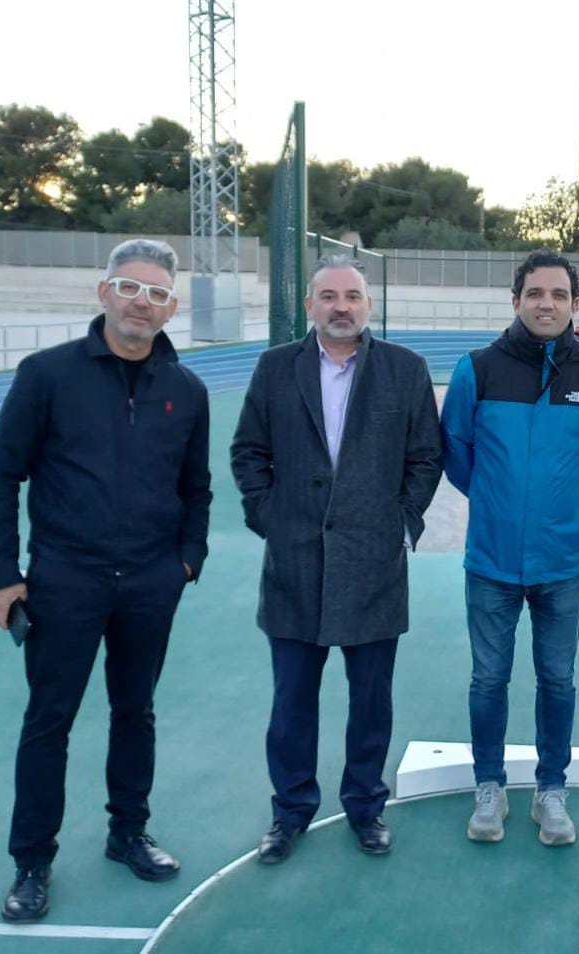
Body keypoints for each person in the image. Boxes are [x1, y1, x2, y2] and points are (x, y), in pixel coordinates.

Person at [0, 239, 211, 921]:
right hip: (65, 581)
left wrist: (185, 563)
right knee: (49, 721)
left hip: (149, 583)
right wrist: (1, 575)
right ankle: (31, 863)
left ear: (171, 309)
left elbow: (196, 490)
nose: (144, 302)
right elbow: (1, 475)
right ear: (103, 292)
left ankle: (128, 832)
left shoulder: (187, 391)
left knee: (135, 713)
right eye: (131, 288)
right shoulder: (47, 374)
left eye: (159, 293)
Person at [230, 255, 441, 862]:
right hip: (294, 566)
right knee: (292, 703)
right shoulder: (275, 369)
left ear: (368, 305)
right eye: (328, 296)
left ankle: (366, 807)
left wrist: (401, 523)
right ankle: (290, 811)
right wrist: (270, 518)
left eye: (352, 295)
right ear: (310, 305)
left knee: (371, 701)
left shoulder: (405, 370)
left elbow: (426, 456)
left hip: (374, 564)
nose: (341, 306)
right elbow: (249, 453)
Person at [441, 248, 579, 846]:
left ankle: (551, 790)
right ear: (515, 300)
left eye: (559, 295)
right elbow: (458, 454)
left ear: (576, 305)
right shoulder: (477, 370)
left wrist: (564, 504)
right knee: (488, 680)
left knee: (558, 681)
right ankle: (488, 788)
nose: (547, 304)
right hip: (491, 561)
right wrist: (497, 503)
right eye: (535, 294)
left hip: (563, 563)